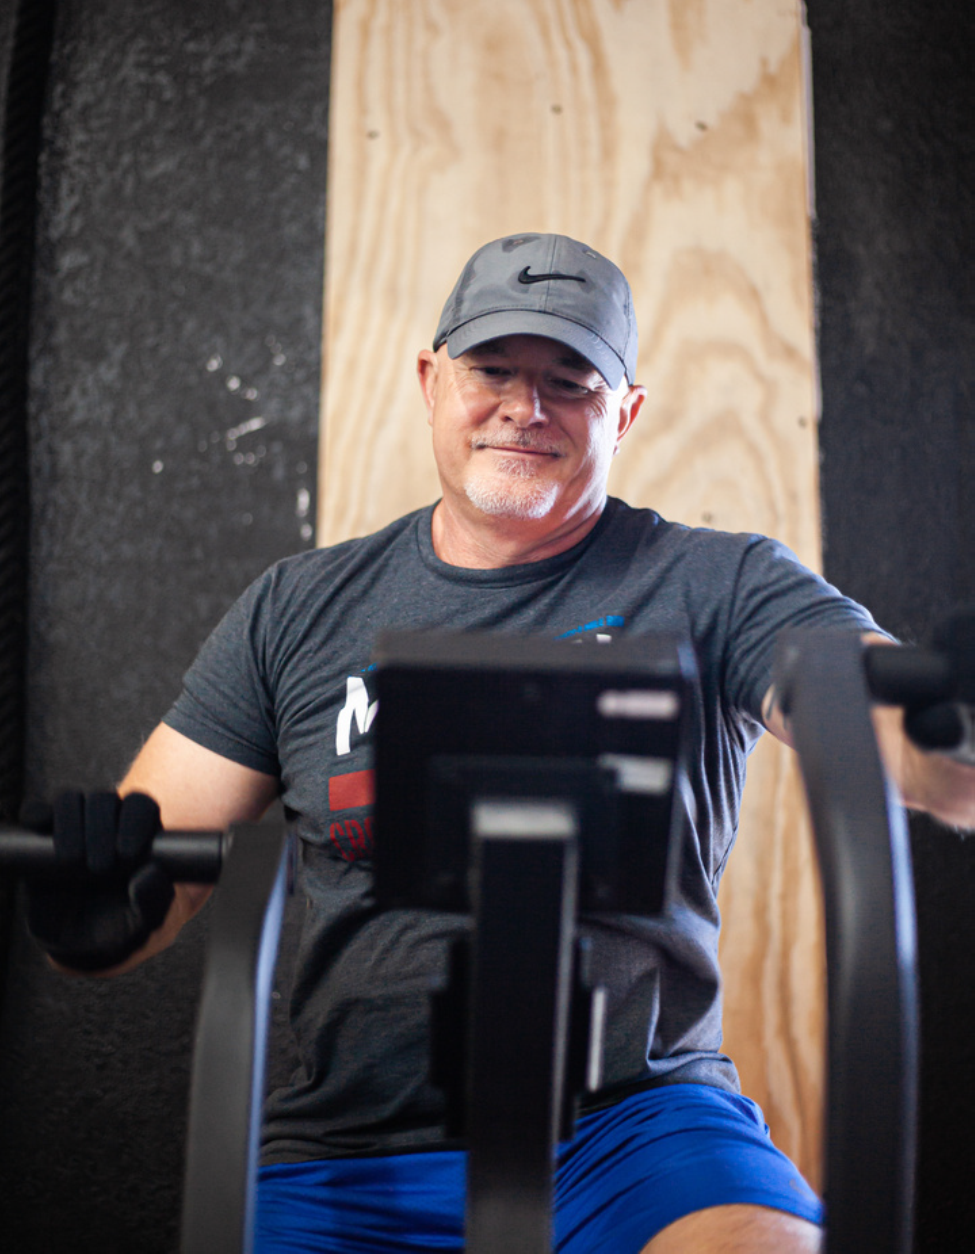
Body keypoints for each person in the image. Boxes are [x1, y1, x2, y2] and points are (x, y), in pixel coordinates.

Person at [26, 233, 975, 1254]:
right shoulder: (295, 610)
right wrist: (94, 913)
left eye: (570, 380)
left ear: (627, 412)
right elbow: (151, 868)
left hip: (636, 1129)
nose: (526, 408)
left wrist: (951, 731)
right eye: (492, 370)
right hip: (353, 1146)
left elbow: (903, 743)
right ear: (432, 381)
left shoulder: (720, 583)